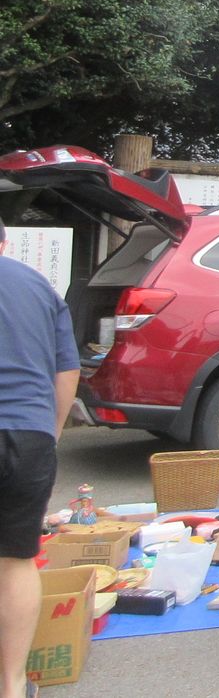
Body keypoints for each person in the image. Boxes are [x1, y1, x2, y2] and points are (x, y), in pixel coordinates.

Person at [0, 217, 79, 698]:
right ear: (5, 241)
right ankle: (10, 683)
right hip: (28, 435)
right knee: (15, 560)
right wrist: (49, 432)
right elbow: (66, 370)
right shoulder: (39, 286)